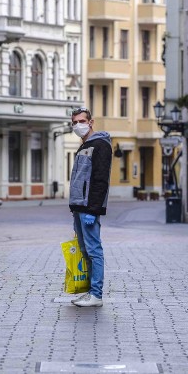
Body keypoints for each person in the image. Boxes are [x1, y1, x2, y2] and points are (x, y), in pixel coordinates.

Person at [68, 107, 112, 307]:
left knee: (94, 250)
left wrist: (93, 210)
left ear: (91, 122)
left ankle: (96, 294)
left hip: (88, 207)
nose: (78, 125)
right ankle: (89, 292)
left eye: (81, 121)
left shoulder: (101, 145)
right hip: (79, 206)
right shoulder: (84, 145)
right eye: (74, 122)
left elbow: (100, 180)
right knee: (85, 250)